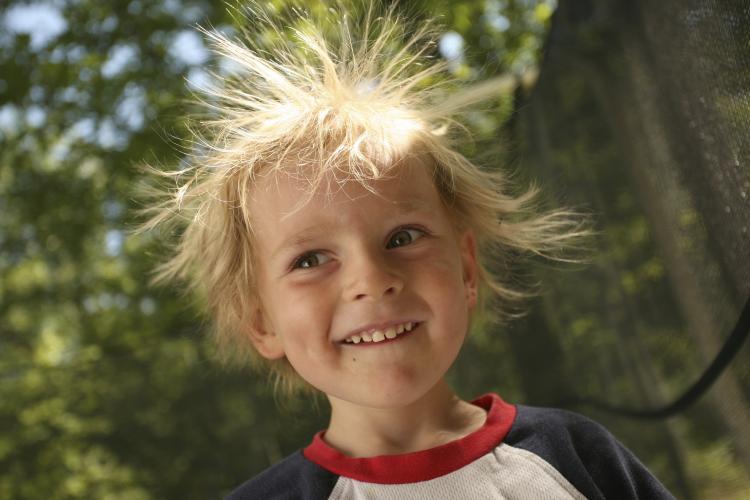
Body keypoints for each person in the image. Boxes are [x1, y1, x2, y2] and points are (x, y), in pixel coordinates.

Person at [141, 2, 674, 498]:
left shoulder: (573, 452)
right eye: (309, 260)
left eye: (402, 238)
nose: (370, 279)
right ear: (261, 321)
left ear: (465, 267)